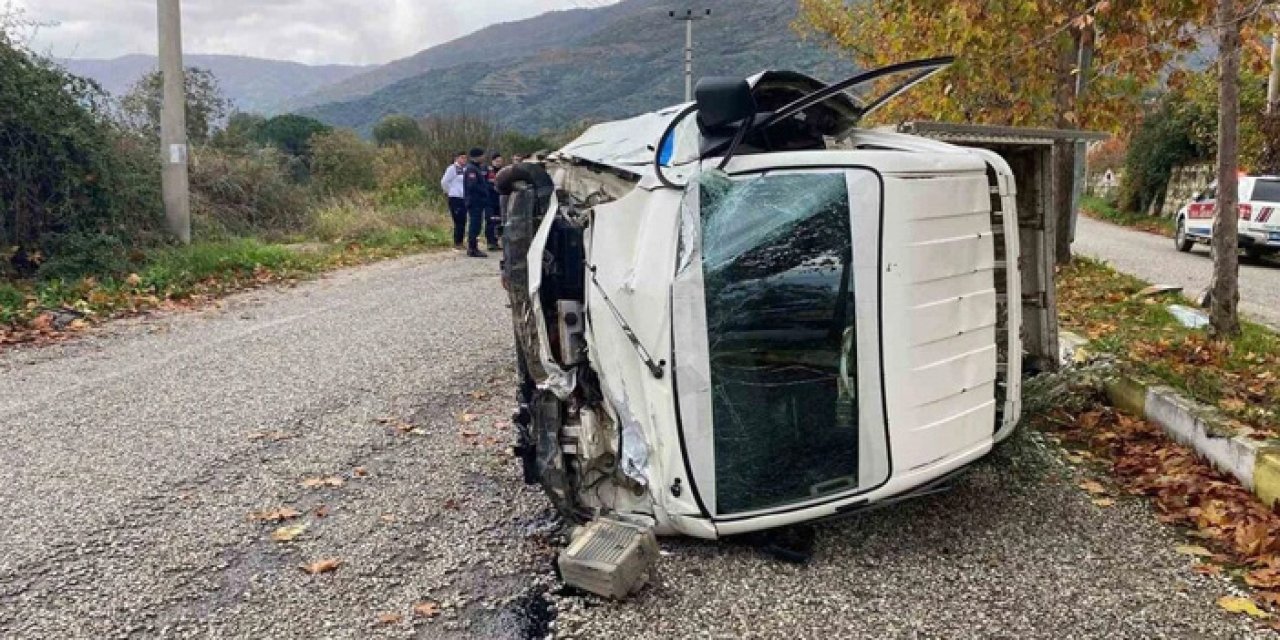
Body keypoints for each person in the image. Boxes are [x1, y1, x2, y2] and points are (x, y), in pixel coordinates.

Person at [463, 147, 489, 258]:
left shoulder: (477, 168)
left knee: (477, 225)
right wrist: (483, 191)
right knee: (474, 225)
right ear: (477, 156)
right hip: (474, 201)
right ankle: (472, 248)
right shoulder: (471, 169)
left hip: (479, 201)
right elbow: (472, 185)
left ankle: (474, 247)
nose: (484, 157)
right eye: (482, 155)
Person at [440, 152, 468, 251]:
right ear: (456, 158)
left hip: (463, 198)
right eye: (462, 158)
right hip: (455, 197)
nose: (464, 160)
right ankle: (457, 242)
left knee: (463, 220)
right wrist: (450, 191)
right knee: (458, 221)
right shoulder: (452, 168)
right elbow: (444, 182)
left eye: (465, 158)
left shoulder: (465, 169)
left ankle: (461, 241)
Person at [485, 154, 506, 251]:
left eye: (500, 161)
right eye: (497, 161)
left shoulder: (504, 172)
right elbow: (485, 185)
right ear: (492, 161)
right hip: (490, 200)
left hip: (500, 200)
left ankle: (497, 241)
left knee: (499, 221)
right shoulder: (488, 171)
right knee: (490, 221)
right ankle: (490, 242)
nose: (499, 163)